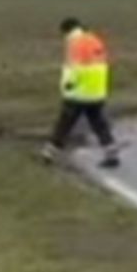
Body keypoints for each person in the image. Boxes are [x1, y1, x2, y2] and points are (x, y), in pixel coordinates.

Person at [41, 17, 120, 168]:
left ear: (67, 31)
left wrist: (67, 86)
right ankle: (112, 154)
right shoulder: (95, 41)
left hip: (78, 93)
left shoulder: (75, 44)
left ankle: (49, 154)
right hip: (97, 93)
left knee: (64, 125)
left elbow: (74, 70)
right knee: (99, 124)